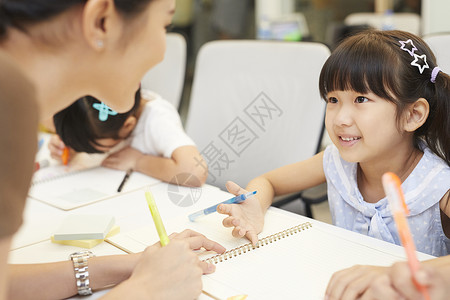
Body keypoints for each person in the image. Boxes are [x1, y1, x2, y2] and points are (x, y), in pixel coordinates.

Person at [0, 0, 225, 299]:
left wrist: (135, 267)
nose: (162, 54)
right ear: (102, 20)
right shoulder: (9, 101)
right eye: (164, 25)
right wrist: (147, 291)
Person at [215, 30, 450, 298]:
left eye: (361, 99)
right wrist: (255, 206)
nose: (340, 119)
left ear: (412, 115)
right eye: (333, 100)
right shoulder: (336, 163)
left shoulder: (437, 185)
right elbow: (268, 182)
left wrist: (401, 273)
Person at [49, 87, 206, 187]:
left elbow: (194, 172)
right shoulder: (108, 116)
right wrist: (73, 145)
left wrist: (138, 161)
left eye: (94, 148)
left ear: (128, 126)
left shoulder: (157, 118)